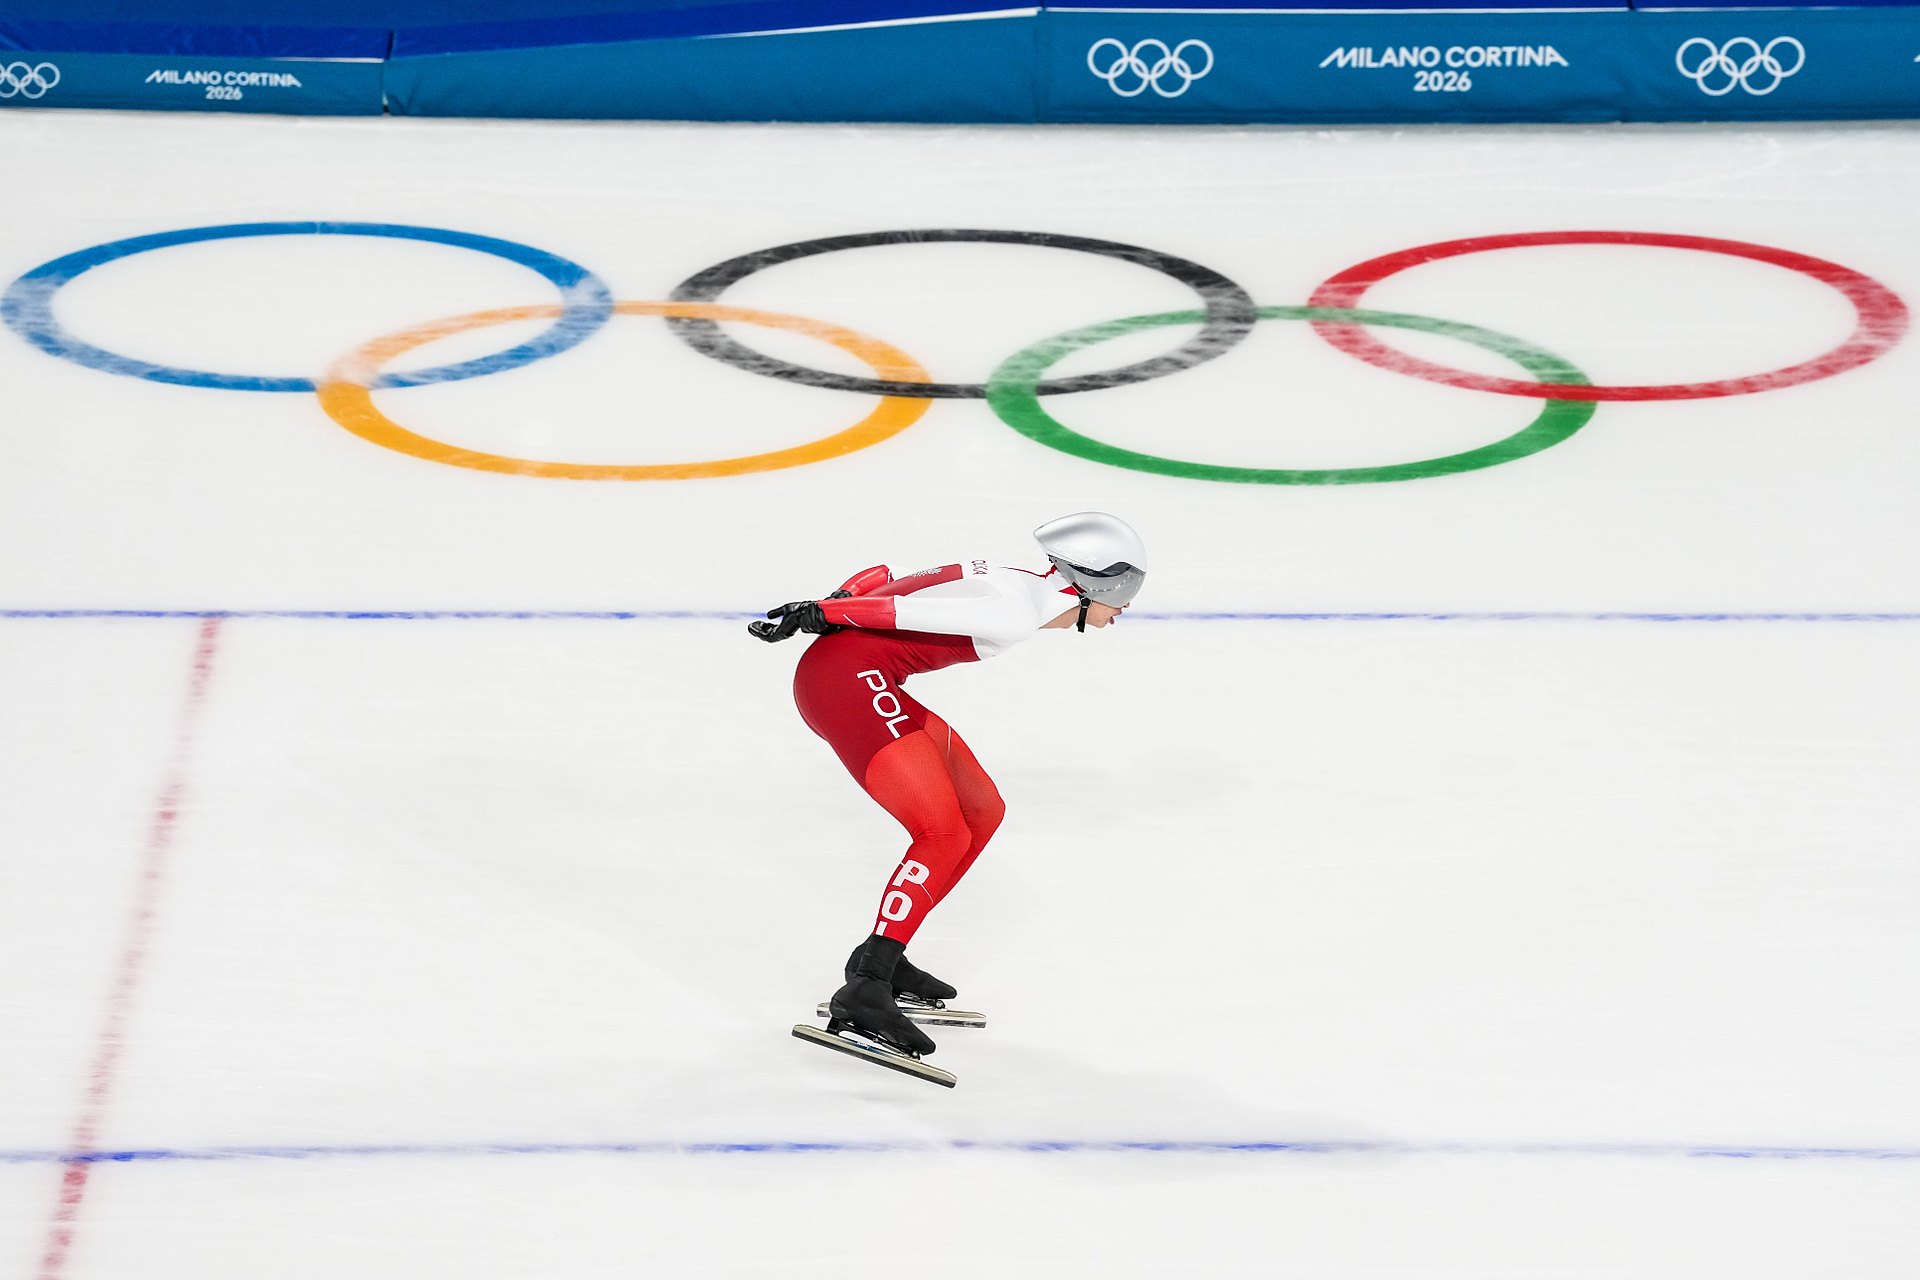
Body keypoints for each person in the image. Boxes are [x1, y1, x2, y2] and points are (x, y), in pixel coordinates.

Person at [750, 512, 1147, 1062]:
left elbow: (885, 576)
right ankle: (867, 985)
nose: (1126, 606)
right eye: (1123, 590)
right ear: (1090, 583)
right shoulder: (1014, 612)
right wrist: (822, 611)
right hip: (845, 684)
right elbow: (896, 609)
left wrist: (835, 600)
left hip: (864, 678)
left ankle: (883, 956)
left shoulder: (1015, 582)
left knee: (982, 811)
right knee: (941, 833)